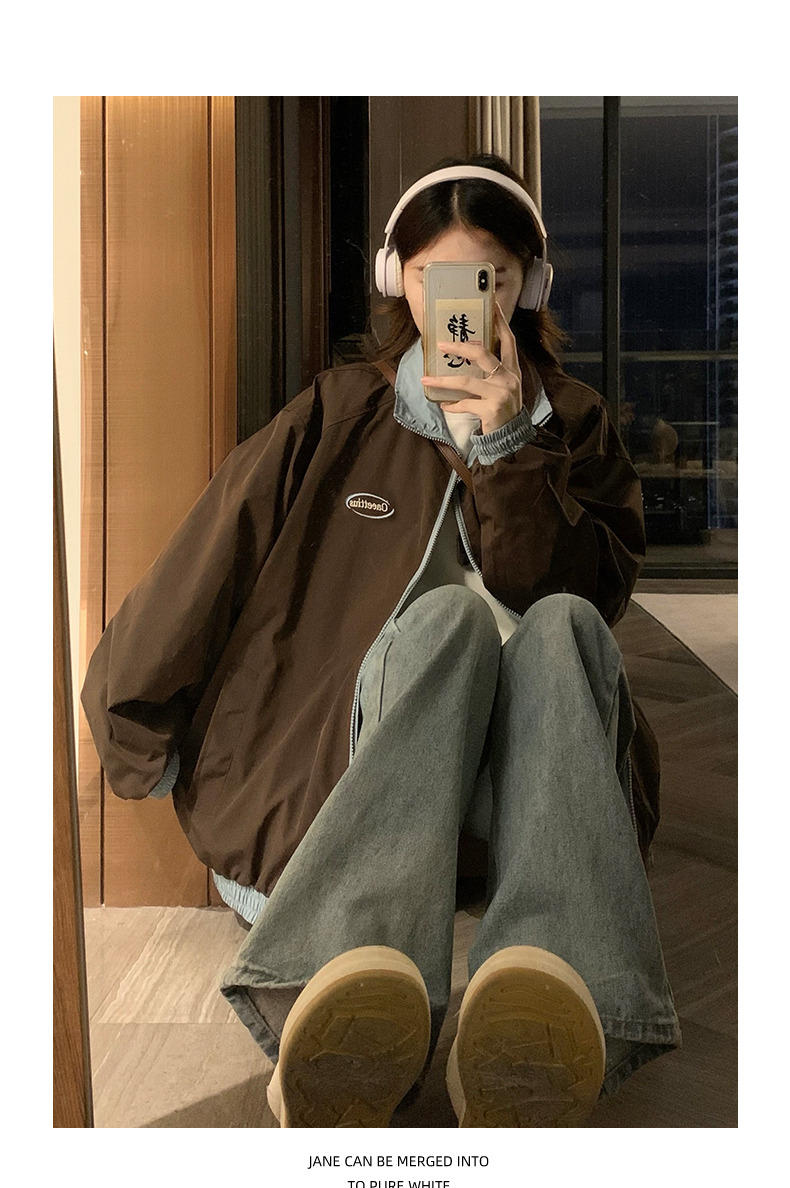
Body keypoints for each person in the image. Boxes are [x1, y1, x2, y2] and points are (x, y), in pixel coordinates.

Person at [81, 153, 681, 1129]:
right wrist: (135, 720)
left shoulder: (573, 424)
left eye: (486, 277)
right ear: (398, 280)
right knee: (446, 621)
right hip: (360, 749)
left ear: (528, 285)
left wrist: (509, 448)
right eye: (437, 278)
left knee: (565, 624)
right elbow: (215, 553)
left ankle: (547, 996)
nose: (463, 305)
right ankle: (344, 977)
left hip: (527, 764)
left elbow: (588, 596)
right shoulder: (339, 408)